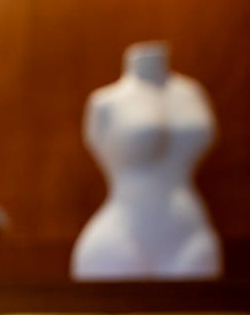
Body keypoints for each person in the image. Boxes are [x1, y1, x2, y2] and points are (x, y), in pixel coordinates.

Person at [71, 42, 222, 278]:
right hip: (123, 234)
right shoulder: (105, 102)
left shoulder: (191, 93)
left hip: (189, 230)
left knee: (201, 310)